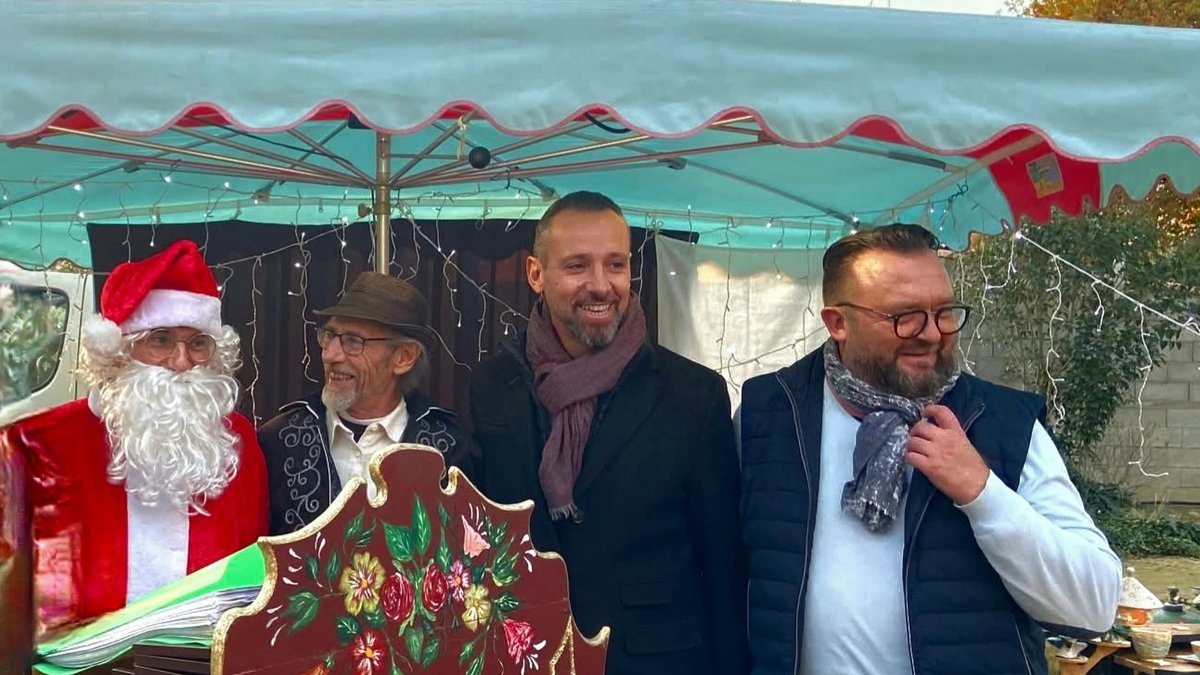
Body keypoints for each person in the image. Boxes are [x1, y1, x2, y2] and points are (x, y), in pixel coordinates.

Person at [739, 224, 1121, 675]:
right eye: (905, 316)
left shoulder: (1002, 422)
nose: (933, 334)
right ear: (837, 323)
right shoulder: (767, 412)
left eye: (944, 312)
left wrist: (982, 492)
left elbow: (1094, 607)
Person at [466, 191, 749, 675]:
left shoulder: (693, 394)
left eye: (615, 265)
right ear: (536, 274)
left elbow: (724, 563)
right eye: (578, 266)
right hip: (523, 655)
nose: (601, 285)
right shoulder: (492, 386)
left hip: (654, 660)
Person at [0, 240, 268, 651]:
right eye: (160, 340)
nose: (181, 362)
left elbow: (253, 567)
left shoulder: (236, 438)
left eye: (198, 343)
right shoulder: (33, 443)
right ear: (118, 351)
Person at [258, 271, 472, 535]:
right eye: (329, 335)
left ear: (403, 357)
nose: (330, 354)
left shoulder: (451, 448)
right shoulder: (279, 440)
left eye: (353, 341)